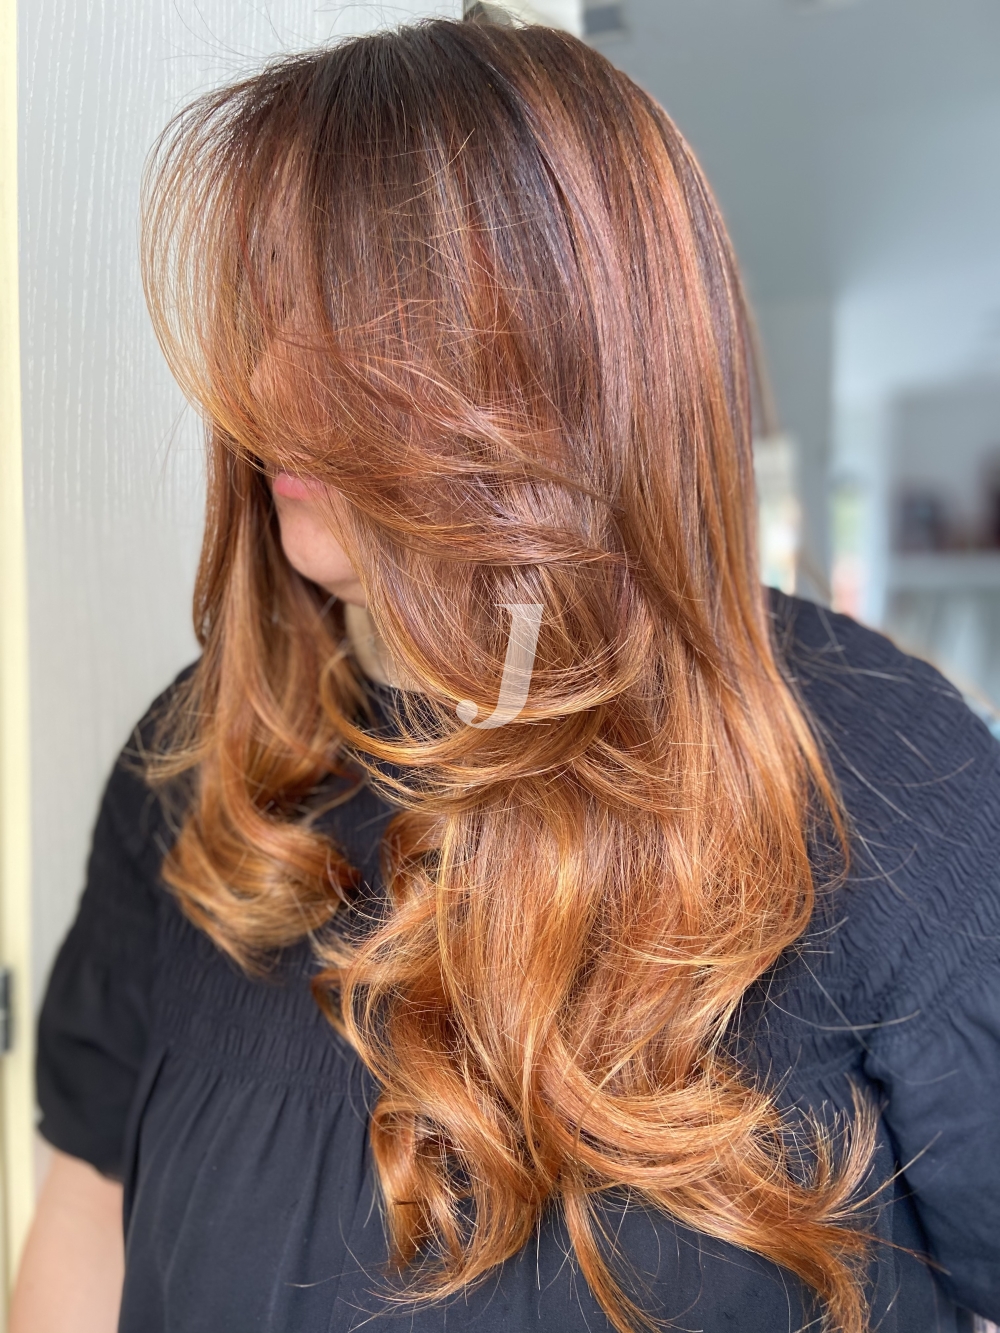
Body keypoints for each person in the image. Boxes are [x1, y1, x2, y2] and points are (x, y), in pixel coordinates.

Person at [10, 17, 1000, 1333]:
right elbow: (88, 1212)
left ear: (576, 360)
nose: (264, 386)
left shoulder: (883, 772)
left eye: (360, 331)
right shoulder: (204, 757)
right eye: (271, 312)